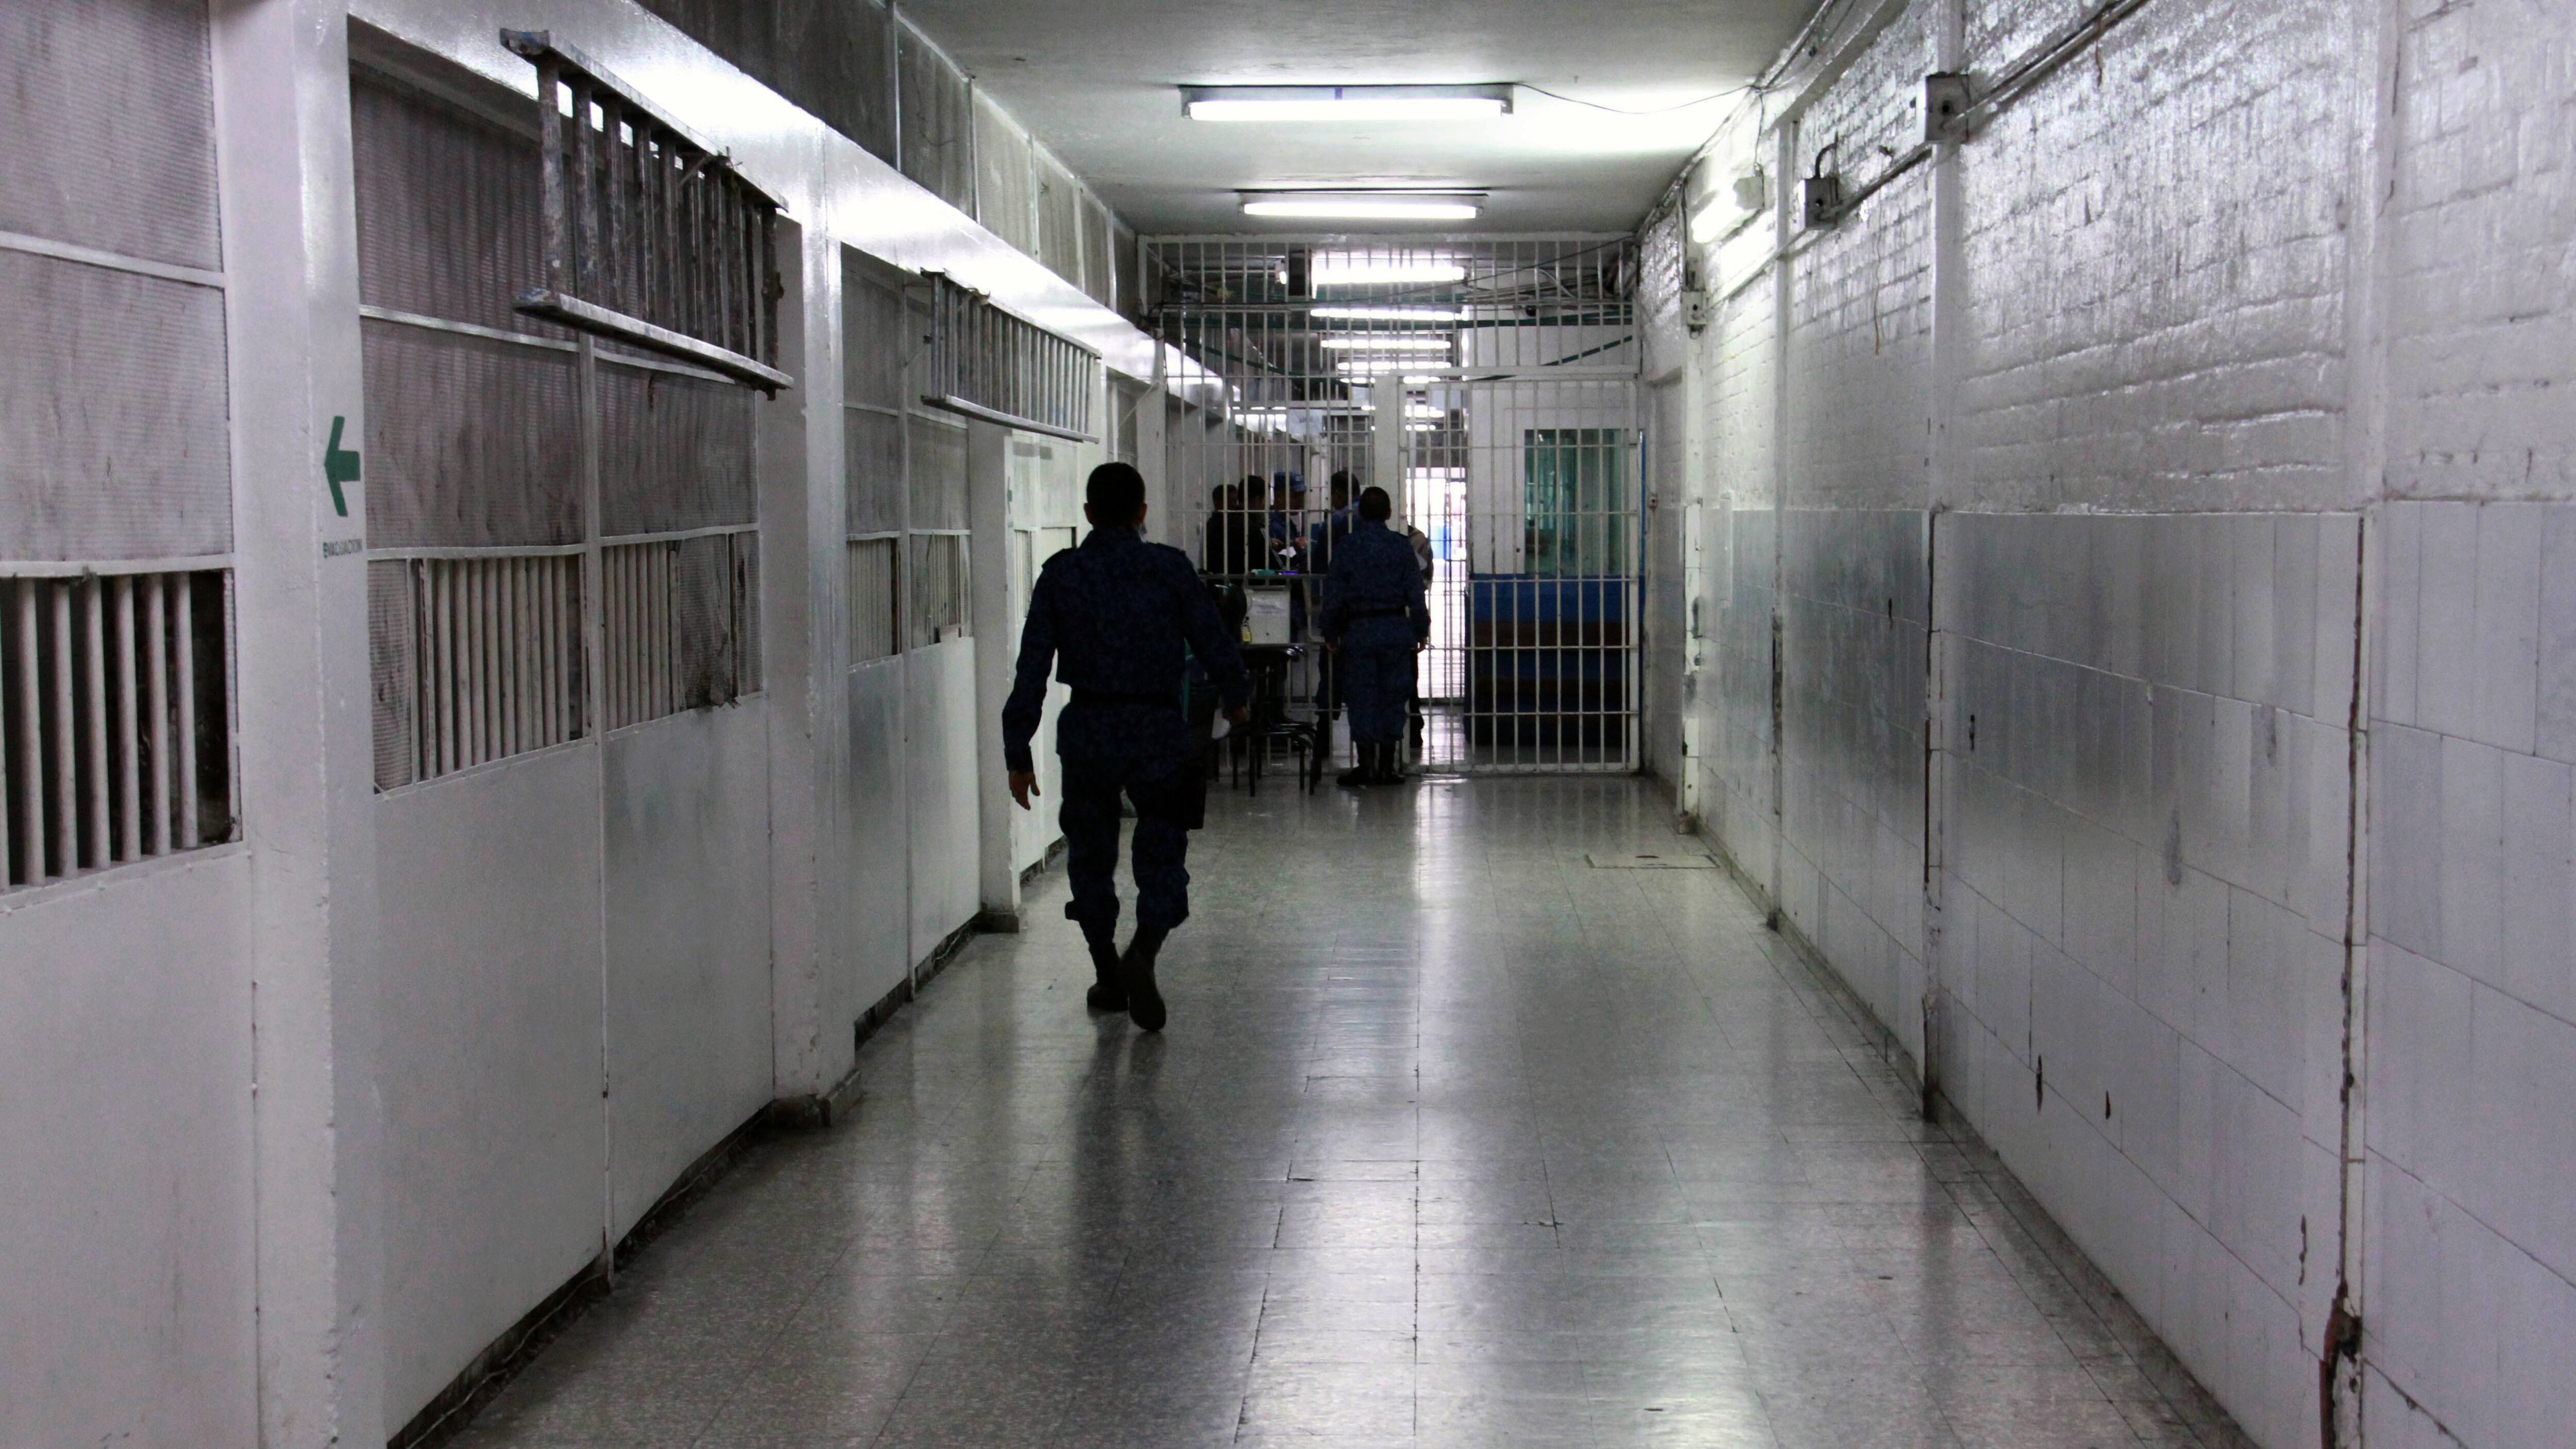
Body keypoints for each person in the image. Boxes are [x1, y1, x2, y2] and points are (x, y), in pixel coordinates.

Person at [1006, 463, 1249, 1030]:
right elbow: (1213, 640)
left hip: (1089, 725)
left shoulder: (1061, 575)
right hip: (1157, 726)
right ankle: (1143, 949)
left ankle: (1107, 973)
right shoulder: (1167, 569)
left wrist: (1017, 748)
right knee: (1162, 847)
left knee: (1091, 855)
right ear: (1143, 512)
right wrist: (1236, 698)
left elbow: (1031, 668)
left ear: (1087, 513)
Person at [1318, 486, 1430, 787]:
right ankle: (1387, 766)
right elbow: (1415, 593)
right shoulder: (1400, 547)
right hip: (1395, 630)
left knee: (1362, 698)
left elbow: (1334, 594)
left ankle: (1366, 766)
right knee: (1394, 697)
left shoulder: (1347, 547)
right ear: (1390, 514)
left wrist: (1330, 631)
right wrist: (1422, 629)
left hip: (1360, 632)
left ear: (1359, 514)